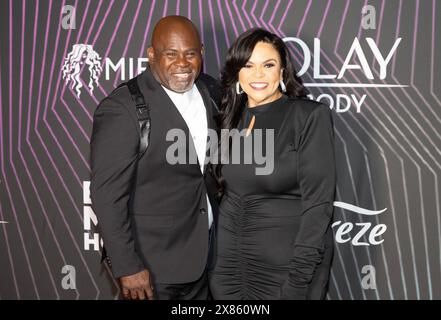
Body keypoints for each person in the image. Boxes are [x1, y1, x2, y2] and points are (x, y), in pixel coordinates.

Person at [90, 16, 219, 300]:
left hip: (208, 260)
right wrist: (127, 266)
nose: (182, 64)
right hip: (153, 269)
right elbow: (106, 194)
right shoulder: (122, 108)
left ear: (202, 53)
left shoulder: (211, 91)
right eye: (170, 54)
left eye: (190, 54)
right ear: (151, 55)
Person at [209, 28, 336, 300]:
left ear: (282, 72)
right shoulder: (230, 119)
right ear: (237, 74)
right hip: (230, 271)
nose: (258, 75)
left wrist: (298, 281)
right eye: (248, 65)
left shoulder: (308, 116)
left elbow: (319, 206)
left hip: (286, 273)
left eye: (268, 65)